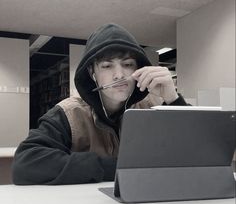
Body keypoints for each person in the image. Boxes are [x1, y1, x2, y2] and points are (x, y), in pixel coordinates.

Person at [12, 23, 188, 185]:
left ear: (137, 70)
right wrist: (112, 168)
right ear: (92, 72)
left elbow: (196, 153)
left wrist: (173, 99)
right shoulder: (69, 113)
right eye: (107, 66)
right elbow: (25, 163)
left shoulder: (152, 107)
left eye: (127, 64)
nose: (119, 75)